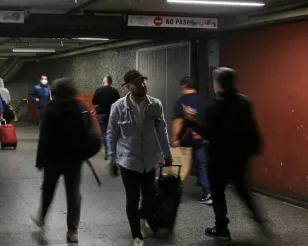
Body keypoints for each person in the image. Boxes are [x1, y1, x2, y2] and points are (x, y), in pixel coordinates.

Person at [183, 67, 267, 241]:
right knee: (242, 188)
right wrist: (253, 150)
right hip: (239, 156)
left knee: (218, 192)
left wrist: (192, 122)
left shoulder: (215, 105)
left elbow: (209, 134)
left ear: (218, 84)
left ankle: (222, 228)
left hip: (218, 157)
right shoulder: (244, 102)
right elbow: (252, 129)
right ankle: (258, 218)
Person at [107, 70, 173, 246]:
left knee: (150, 196)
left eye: (144, 82)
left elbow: (162, 130)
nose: (143, 85)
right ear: (128, 87)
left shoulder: (155, 105)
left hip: (149, 160)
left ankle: (143, 216)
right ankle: (136, 234)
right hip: (128, 161)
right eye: (138, 83)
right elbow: (112, 134)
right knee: (132, 198)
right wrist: (112, 158)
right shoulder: (118, 107)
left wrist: (167, 154)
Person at [31, 77, 91, 244]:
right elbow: (88, 132)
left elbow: (44, 137)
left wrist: (40, 159)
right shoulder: (80, 107)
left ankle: (41, 218)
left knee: (48, 189)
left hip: (53, 158)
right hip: (74, 159)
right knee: (73, 194)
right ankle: (72, 230)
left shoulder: (50, 109)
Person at [171, 77, 211, 205]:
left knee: (179, 165)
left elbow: (178, 121)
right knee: (202, 165)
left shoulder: (181, 102)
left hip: (185, 140)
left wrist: (175, 138)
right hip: (201, 139)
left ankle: (175, 193)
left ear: (183, 86)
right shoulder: (204, 101)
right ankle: (208, 193)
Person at [92, 75, 120, 160]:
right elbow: (118, 103)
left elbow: (94, 102)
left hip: (102, 115)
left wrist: (98, 106)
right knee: (112, 133)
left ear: (104, 81)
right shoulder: (115, 91)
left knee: (104, 133)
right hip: (112, 115)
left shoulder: (99, 90)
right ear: (111, 82)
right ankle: (113, 151)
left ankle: (108, 152)